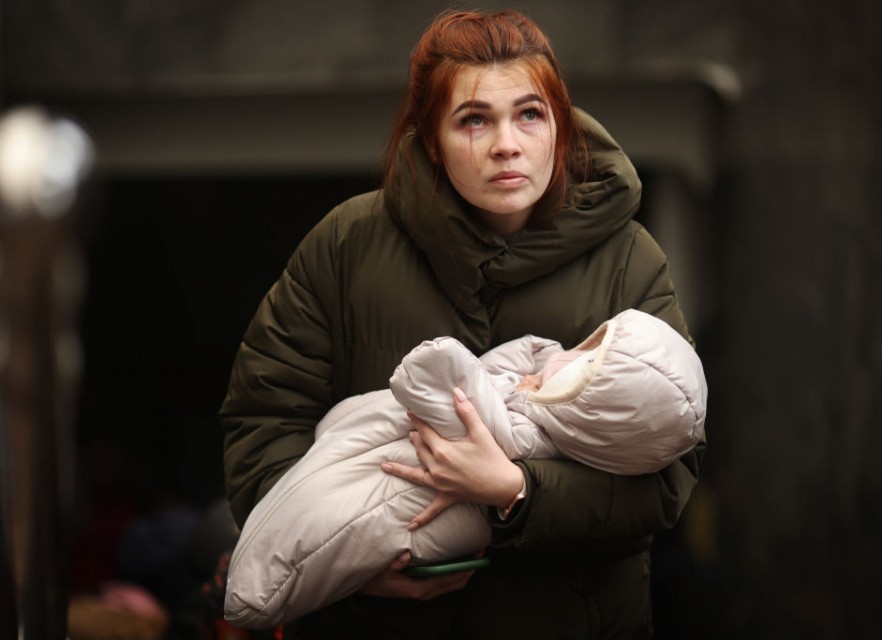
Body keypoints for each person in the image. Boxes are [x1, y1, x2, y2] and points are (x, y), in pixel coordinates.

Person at [219, 8, 705, 638]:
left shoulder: (628, 260)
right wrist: (346, 565)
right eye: (474, 119)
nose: (507, 144)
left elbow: (670, 473)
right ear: (430, 139)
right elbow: (263, 422)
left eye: (529, 114)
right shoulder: (346, 244)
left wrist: (517, 490)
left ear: (559, 124)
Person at [223, 309, 707, 628]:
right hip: (373, 608)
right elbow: (266, 409)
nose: (569, 354)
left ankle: (258, 589)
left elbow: (433, 377)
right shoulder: (344, 241)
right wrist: (352, 580)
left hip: (546, 608)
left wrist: (517, 489)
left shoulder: (528, 434)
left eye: (583, 361)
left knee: (345, 520)